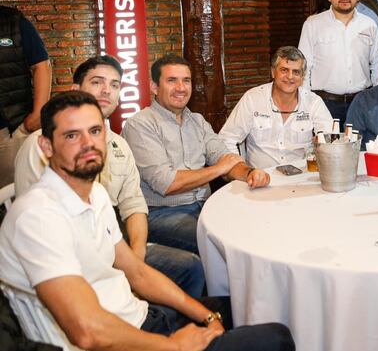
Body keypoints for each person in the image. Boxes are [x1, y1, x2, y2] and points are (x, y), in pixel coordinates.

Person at [0, 91, 295, 351]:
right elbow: (87, 331)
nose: (88, 143)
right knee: (277, 341)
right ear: (46, 146)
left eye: (94, 131)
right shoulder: (37, 217)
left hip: (141, 317)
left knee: (255, 304)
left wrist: (205, 315)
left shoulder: (95, 195)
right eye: (72, 135)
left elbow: (137, 273)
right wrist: (175, 346)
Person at [13, 55, 204, 297]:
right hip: (69, 260)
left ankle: (173, 325)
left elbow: (134, 205)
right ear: (75, 89)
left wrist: (136, 257)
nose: (106, 90)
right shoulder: (42, 145)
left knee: (191, 267)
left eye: (115, 85)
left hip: (118, 246)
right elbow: (38, 232)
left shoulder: (119, 146)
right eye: (97, 82)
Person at [122, 54, 270, 255]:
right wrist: (219, 169)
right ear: (154, 87)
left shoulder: (197, 121)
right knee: (225, 241)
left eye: (186, 80)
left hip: (206, 207)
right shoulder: (140, 125)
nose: (181, 88)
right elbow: (166, 183)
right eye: (172, 80)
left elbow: (223, 156)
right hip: (161, 214)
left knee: (259, 226)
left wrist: (250, 173)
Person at [219, 46, 332, 169]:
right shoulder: (252, 98)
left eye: (296, 72)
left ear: (302, 77)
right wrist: (242, 170)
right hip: (260, 179)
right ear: (273, 72)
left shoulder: (314, 102)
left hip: (301, 178)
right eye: (284, 70)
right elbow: (227, 139)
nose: (290, 76)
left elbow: (331, 140)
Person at [298, 0, 378, 125]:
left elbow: (376, 64)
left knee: (359, 145)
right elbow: (304, 66)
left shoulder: (369, 24)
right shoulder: (313, 24)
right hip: (325, 103)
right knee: (327, 148)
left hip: (361, 101)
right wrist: (305, 101)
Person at [0, 5, 52, 187]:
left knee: (17, 195)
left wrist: (38, 114)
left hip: (10, 130)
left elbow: (41, 65)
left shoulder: (12, 22)